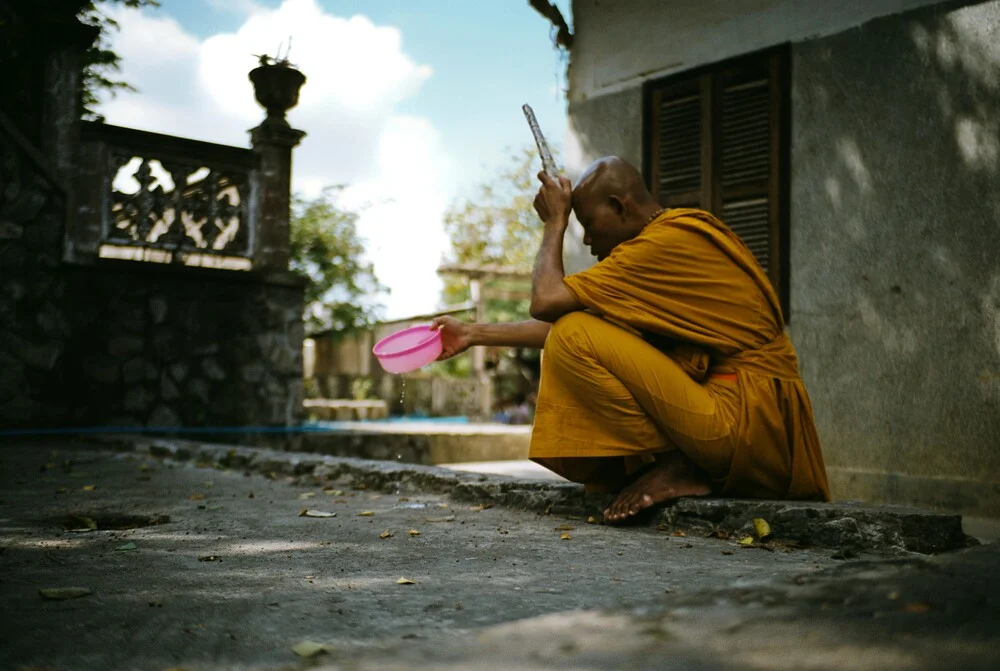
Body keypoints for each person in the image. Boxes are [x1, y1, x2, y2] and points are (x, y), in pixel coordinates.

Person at [433, 156, 830, 524]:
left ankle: (683, 464)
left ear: (620, 206)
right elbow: (592, 328)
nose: (587, 241)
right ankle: (675, 461)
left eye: (588, 224)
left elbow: (548, 303)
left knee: (573, 334)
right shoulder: (662, 247)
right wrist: (472, 334)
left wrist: (555, 223)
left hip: (744, 431)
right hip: (747, 430)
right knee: (575, 333)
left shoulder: (664, 245)